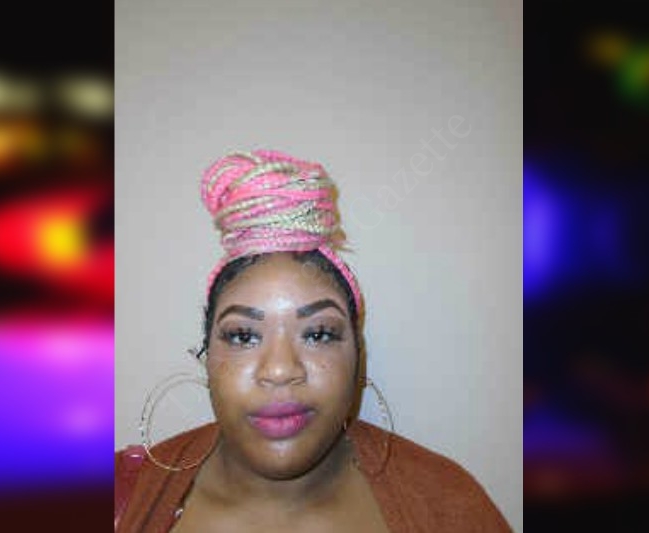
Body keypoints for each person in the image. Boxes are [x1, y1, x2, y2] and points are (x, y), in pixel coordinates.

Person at [115, 150, 511, 532]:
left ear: (358, 354)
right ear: (206, 355)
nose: (280, 370)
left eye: (319, 334)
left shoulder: (452, 505)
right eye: (243, 335)